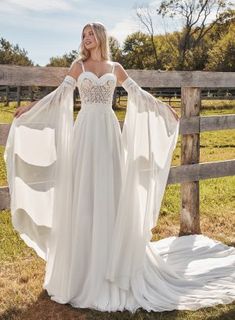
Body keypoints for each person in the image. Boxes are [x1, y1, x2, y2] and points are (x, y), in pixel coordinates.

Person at [4, 22, 235, 313]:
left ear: (100, 37)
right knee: (85, 192)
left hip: (110, 136)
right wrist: (30, 109)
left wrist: (163, 108)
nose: (87, 39)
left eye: (91, 34)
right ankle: (85, 268)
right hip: (86, 135)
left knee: (110, 190)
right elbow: (59, 96)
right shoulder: (78, 66)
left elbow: (138, 93)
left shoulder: (116, 67)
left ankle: (113, 261)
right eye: (83, 35)